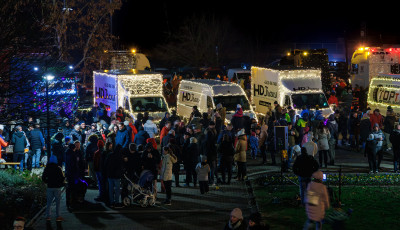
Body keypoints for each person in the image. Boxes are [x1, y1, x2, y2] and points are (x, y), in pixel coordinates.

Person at [42, 155, 65, 222]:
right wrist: (60, 183)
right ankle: (58, 216)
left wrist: (47, 182)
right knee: (58, 202)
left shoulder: (47, 168)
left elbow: (43, 178)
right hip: (57, 187)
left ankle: (48, 216)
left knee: (49, 202)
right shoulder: (58, 168)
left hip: (50, 186)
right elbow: (62, 177)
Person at [204, 121, 219, 185]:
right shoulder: (210, 133)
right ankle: (211, 181)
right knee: (212, 168)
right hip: (211, 155)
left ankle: (209, 180)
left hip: (209, 155)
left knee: (210, 168)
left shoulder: (210, 133)